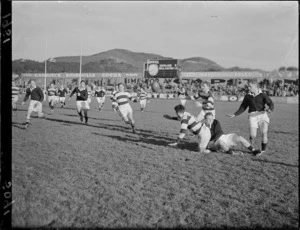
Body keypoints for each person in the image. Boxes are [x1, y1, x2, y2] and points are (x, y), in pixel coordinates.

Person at [227, 78, 274, 156]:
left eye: (250, 86)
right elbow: (243, 107)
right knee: (253, 135)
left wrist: (270, 109)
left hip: (262, 114)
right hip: (252, 116)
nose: (248, 88)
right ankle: (253, 148)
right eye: (248, 86)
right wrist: (235, 114)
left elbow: (271, 103)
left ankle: (262, 150)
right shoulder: (248, 96)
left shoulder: (263, 94)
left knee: (264, 132)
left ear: (255, 86)